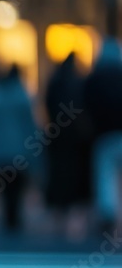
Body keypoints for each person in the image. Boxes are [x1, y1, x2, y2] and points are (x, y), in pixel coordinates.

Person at [0, 65, 37, 232]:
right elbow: (30, 126)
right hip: (20, 150)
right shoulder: (23, 96)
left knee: (4, 187)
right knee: (17, 188)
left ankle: (7, 217)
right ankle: (15, 217)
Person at [44, 53, 93, 231]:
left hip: (60, 137)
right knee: (73, 177)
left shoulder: (56, 81)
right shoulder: (77, 82)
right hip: (75, 139)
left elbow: (49, 104)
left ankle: (60, 212)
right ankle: (72, 214)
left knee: (60, 176)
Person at [83, 39, 122, 230]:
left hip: (104, 135)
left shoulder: (94, 79)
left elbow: (86, 108)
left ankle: (108, 214)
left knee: (105, 175)